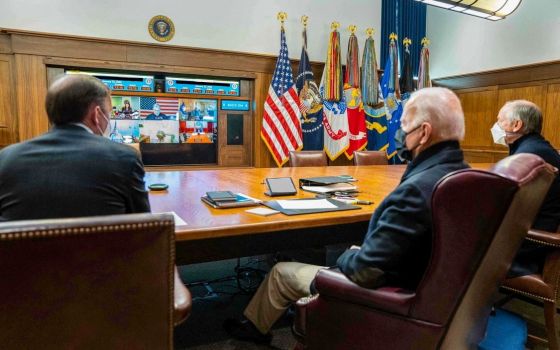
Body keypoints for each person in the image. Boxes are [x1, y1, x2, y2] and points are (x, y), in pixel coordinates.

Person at [224, 87, 469, 344]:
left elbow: (366, 271)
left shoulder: (415, 190)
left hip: (393, 295)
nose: (399, 132)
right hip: (442, 296)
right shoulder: (465, 177)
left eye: (404, 124)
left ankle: (254, 330)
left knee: (281, 273)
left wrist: (348, 255)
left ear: (424, 133)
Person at [0, 74, 150, 220]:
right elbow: (144, 227)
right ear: (97, 114)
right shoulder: (124, 158)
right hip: (99, 246)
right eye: (108, 114)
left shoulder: (5, 158)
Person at [492, 100, 560, 276]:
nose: (496, 125)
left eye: (500, 121)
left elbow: (502, 205)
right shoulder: (536, 147)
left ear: (516, 125)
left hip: (527, 244)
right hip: (529, 235)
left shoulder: (528, 156)